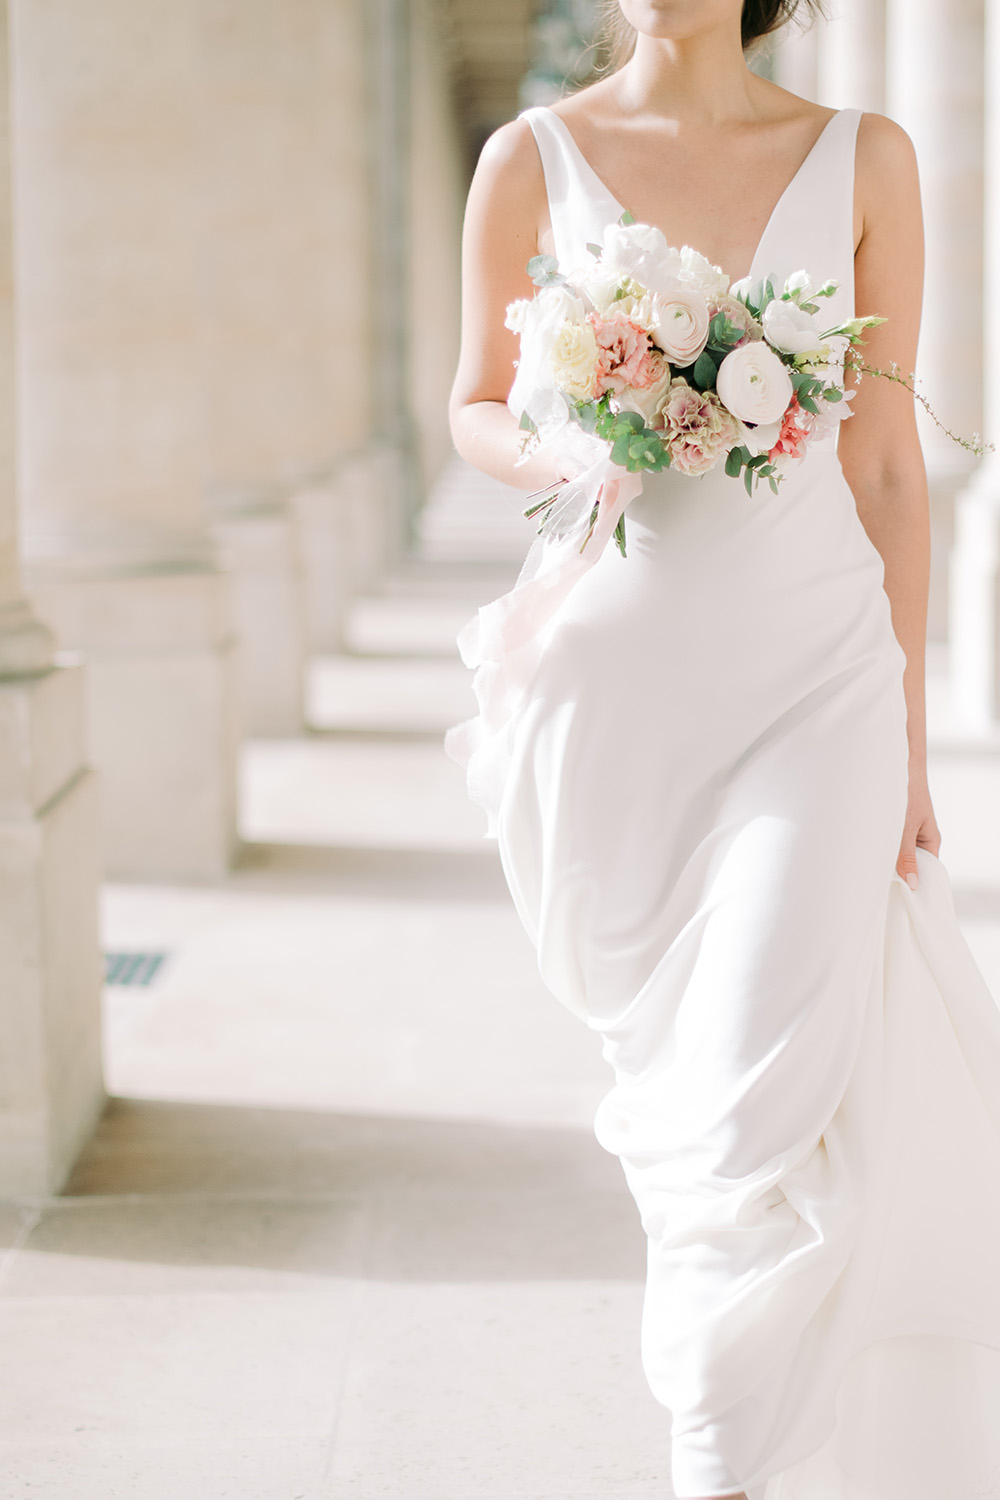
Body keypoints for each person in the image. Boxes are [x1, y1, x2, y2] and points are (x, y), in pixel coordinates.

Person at [447, 2, 1000, 1496]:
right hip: (615, 709)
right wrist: (565, 442)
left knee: (754, 1104)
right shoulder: (532, 155)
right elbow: (472, 408)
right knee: (691, 1110)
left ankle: (719, 1462)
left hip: (814, 688)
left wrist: (909, 743)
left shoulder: (866, 155)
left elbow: (887, 464)